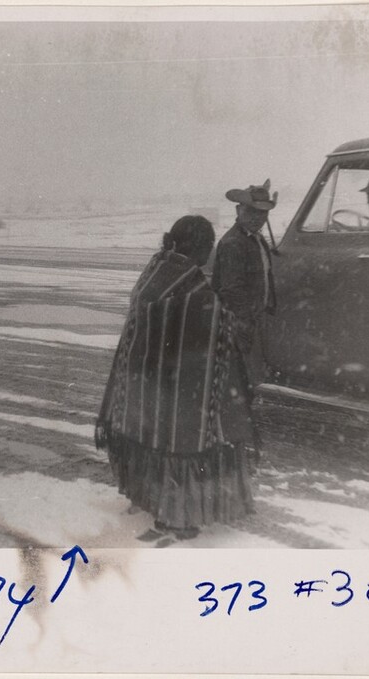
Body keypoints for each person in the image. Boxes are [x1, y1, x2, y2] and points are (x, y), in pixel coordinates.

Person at [95, 216, 256, 540]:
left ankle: (148, 498)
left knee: (149, 439)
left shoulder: (156, 269)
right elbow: (211, 327)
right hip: (177, 385)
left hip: (143, 382)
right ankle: (176, 518)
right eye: (208, 247)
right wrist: (233, 325)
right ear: (201, 248)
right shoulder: (192, 285)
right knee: (183, 443)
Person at [211, 179, 277, 378]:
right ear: (239, 210)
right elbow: (232, 289)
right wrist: (244, 321)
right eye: (252, 212)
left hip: (253, 316)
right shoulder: (234, 243)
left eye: (263, 213)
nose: (258, 218)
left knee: (247, 374)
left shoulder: (254, 237)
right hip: (239, 320)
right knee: (239, 373)